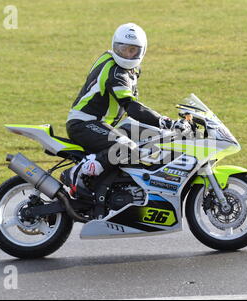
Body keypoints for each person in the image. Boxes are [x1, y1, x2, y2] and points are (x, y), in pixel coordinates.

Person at [62, 23, 189, 192]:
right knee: (125, 146)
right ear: (114, 46)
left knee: (146, 139)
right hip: (84, 124)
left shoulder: (126, 67)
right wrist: (165, 122)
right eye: (122, 49)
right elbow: (132, 107)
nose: (127, 54)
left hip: (102, 124)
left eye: (132, 50)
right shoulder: (116, 73)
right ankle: (75, 172)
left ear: (142, 51)